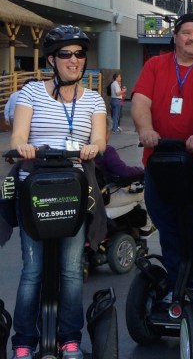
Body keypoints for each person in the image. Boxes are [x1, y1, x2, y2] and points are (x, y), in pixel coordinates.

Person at [9, 26, 107, 359]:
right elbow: (18, 137)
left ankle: (70, 339)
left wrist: (93, 148)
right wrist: (24, 147)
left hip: (73, 189)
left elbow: (100, 140)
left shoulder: (94, 98)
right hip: (34, 188)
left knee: (70, 269)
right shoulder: (31, 93)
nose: (74, 60)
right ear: (52, 59)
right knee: (32, 270)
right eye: (66, 54)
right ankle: (24, 341)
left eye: (80, 54)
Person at [131, 12, 193, 305]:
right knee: (169, 229)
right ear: (176, 36)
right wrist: (146, 130)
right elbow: (140, 102)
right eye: (187, 33)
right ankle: (177, 285)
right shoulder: (155, 65)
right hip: (159, 163)